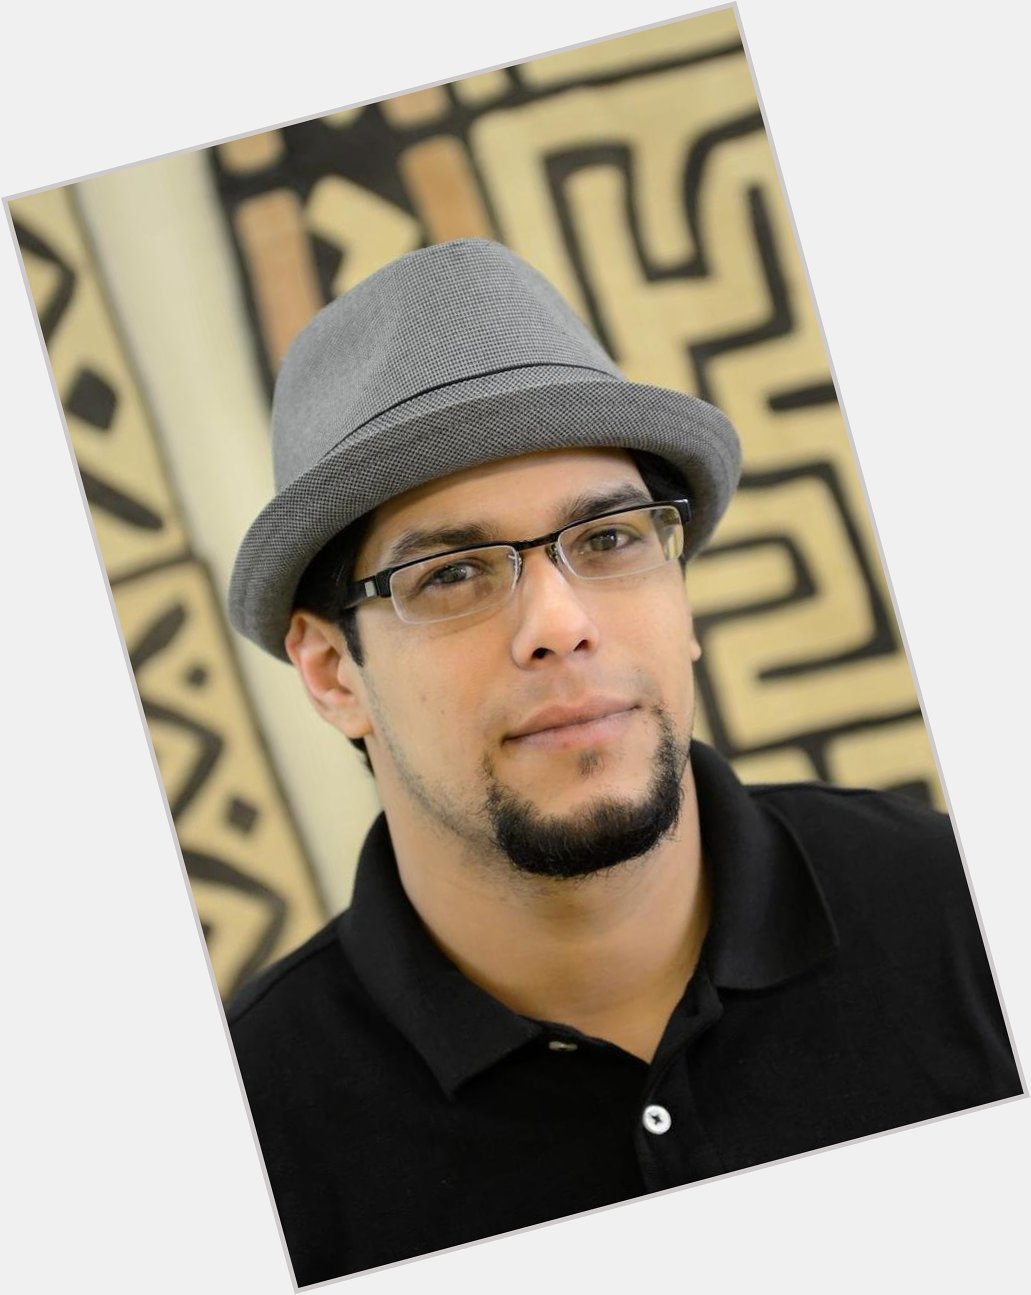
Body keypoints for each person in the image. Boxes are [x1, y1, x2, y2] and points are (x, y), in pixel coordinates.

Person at [225, 239, 1020, 1285]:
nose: (559, 624)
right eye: (452, 572)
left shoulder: (964, 910)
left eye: (607, 539)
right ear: (333, 672)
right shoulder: (247, 1137)